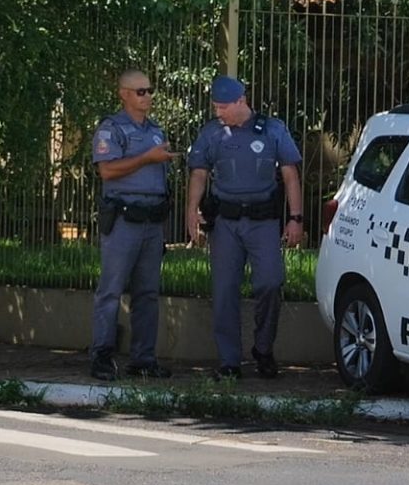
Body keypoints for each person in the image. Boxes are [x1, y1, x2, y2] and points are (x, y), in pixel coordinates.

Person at [185, 75, 303, 380]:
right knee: (224, 291)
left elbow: (290, 175)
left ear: (241, 100)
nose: (218, 112)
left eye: (223, 106)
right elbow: (199, 173)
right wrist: (191, 210)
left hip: (263, 222)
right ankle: (229, 362)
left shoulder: (272, 129)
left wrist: (296, 219)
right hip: (225, 223)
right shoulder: (212, 133)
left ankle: (263, 349)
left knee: (270, 283)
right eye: (215, 106)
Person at [89, 69, 175, 381]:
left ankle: (143, 358)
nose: (148, 96)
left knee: (148, 293)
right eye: (141, 91)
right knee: (111, 291)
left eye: (151, 90)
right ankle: (101, 355)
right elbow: (108, 171)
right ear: (124, 94)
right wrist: (147, 159)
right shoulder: (111, 130)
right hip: (124, 219)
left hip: (152, 221)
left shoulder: (155, 130)